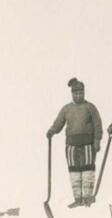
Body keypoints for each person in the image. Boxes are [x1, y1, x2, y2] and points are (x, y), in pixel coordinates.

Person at [46, 78, 103, 208]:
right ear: (72, 94)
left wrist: (97, 141)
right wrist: (52, 131)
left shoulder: (90, 107)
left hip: (88, 146)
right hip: (71, 146)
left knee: (87, 171)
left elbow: (97, 125)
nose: (79, 96)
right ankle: (78, 199)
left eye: (81, 93)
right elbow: (58, 123)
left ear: (84, 93)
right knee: (75, 173)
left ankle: (88, 198)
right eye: (76, 93)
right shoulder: (66, 109)